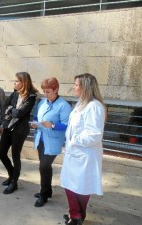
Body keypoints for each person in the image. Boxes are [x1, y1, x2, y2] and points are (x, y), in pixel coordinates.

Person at [60, 73, 106, 225]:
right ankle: (77, 216)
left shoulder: (94, 107)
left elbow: (94, 134)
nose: (74, 88)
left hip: (84, 153)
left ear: (85, 87)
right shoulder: (81, 103)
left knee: (80, 186)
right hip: (75, 152)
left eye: (76, 85)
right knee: (72, 184)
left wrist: (74, 140)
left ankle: (76, 216)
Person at [30, 77, 72, 207]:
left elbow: (67, 126)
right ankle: (47, 191)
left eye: (48, 91)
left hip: (53, 141)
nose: (45, 94)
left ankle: (43, 195)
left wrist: (53, 125)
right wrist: (35, 123)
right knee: (44, 167)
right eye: (44, 91)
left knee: (44, 166)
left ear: (56, 90)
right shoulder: (42, 102)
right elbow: (37, 117)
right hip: (41, 139)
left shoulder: (64, 106)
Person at [0, 72, 38, 194]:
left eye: (16, 81)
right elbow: (5, 106)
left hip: (20, 130)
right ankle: (11, 175)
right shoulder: (15, 93)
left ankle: (14, 182)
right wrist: (11, 110)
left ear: (23, 82)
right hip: (9, 127)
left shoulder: (31, 97)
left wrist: (11, 110)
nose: (14, 83)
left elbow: (20, 113)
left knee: (15, 156)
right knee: (1, 153)